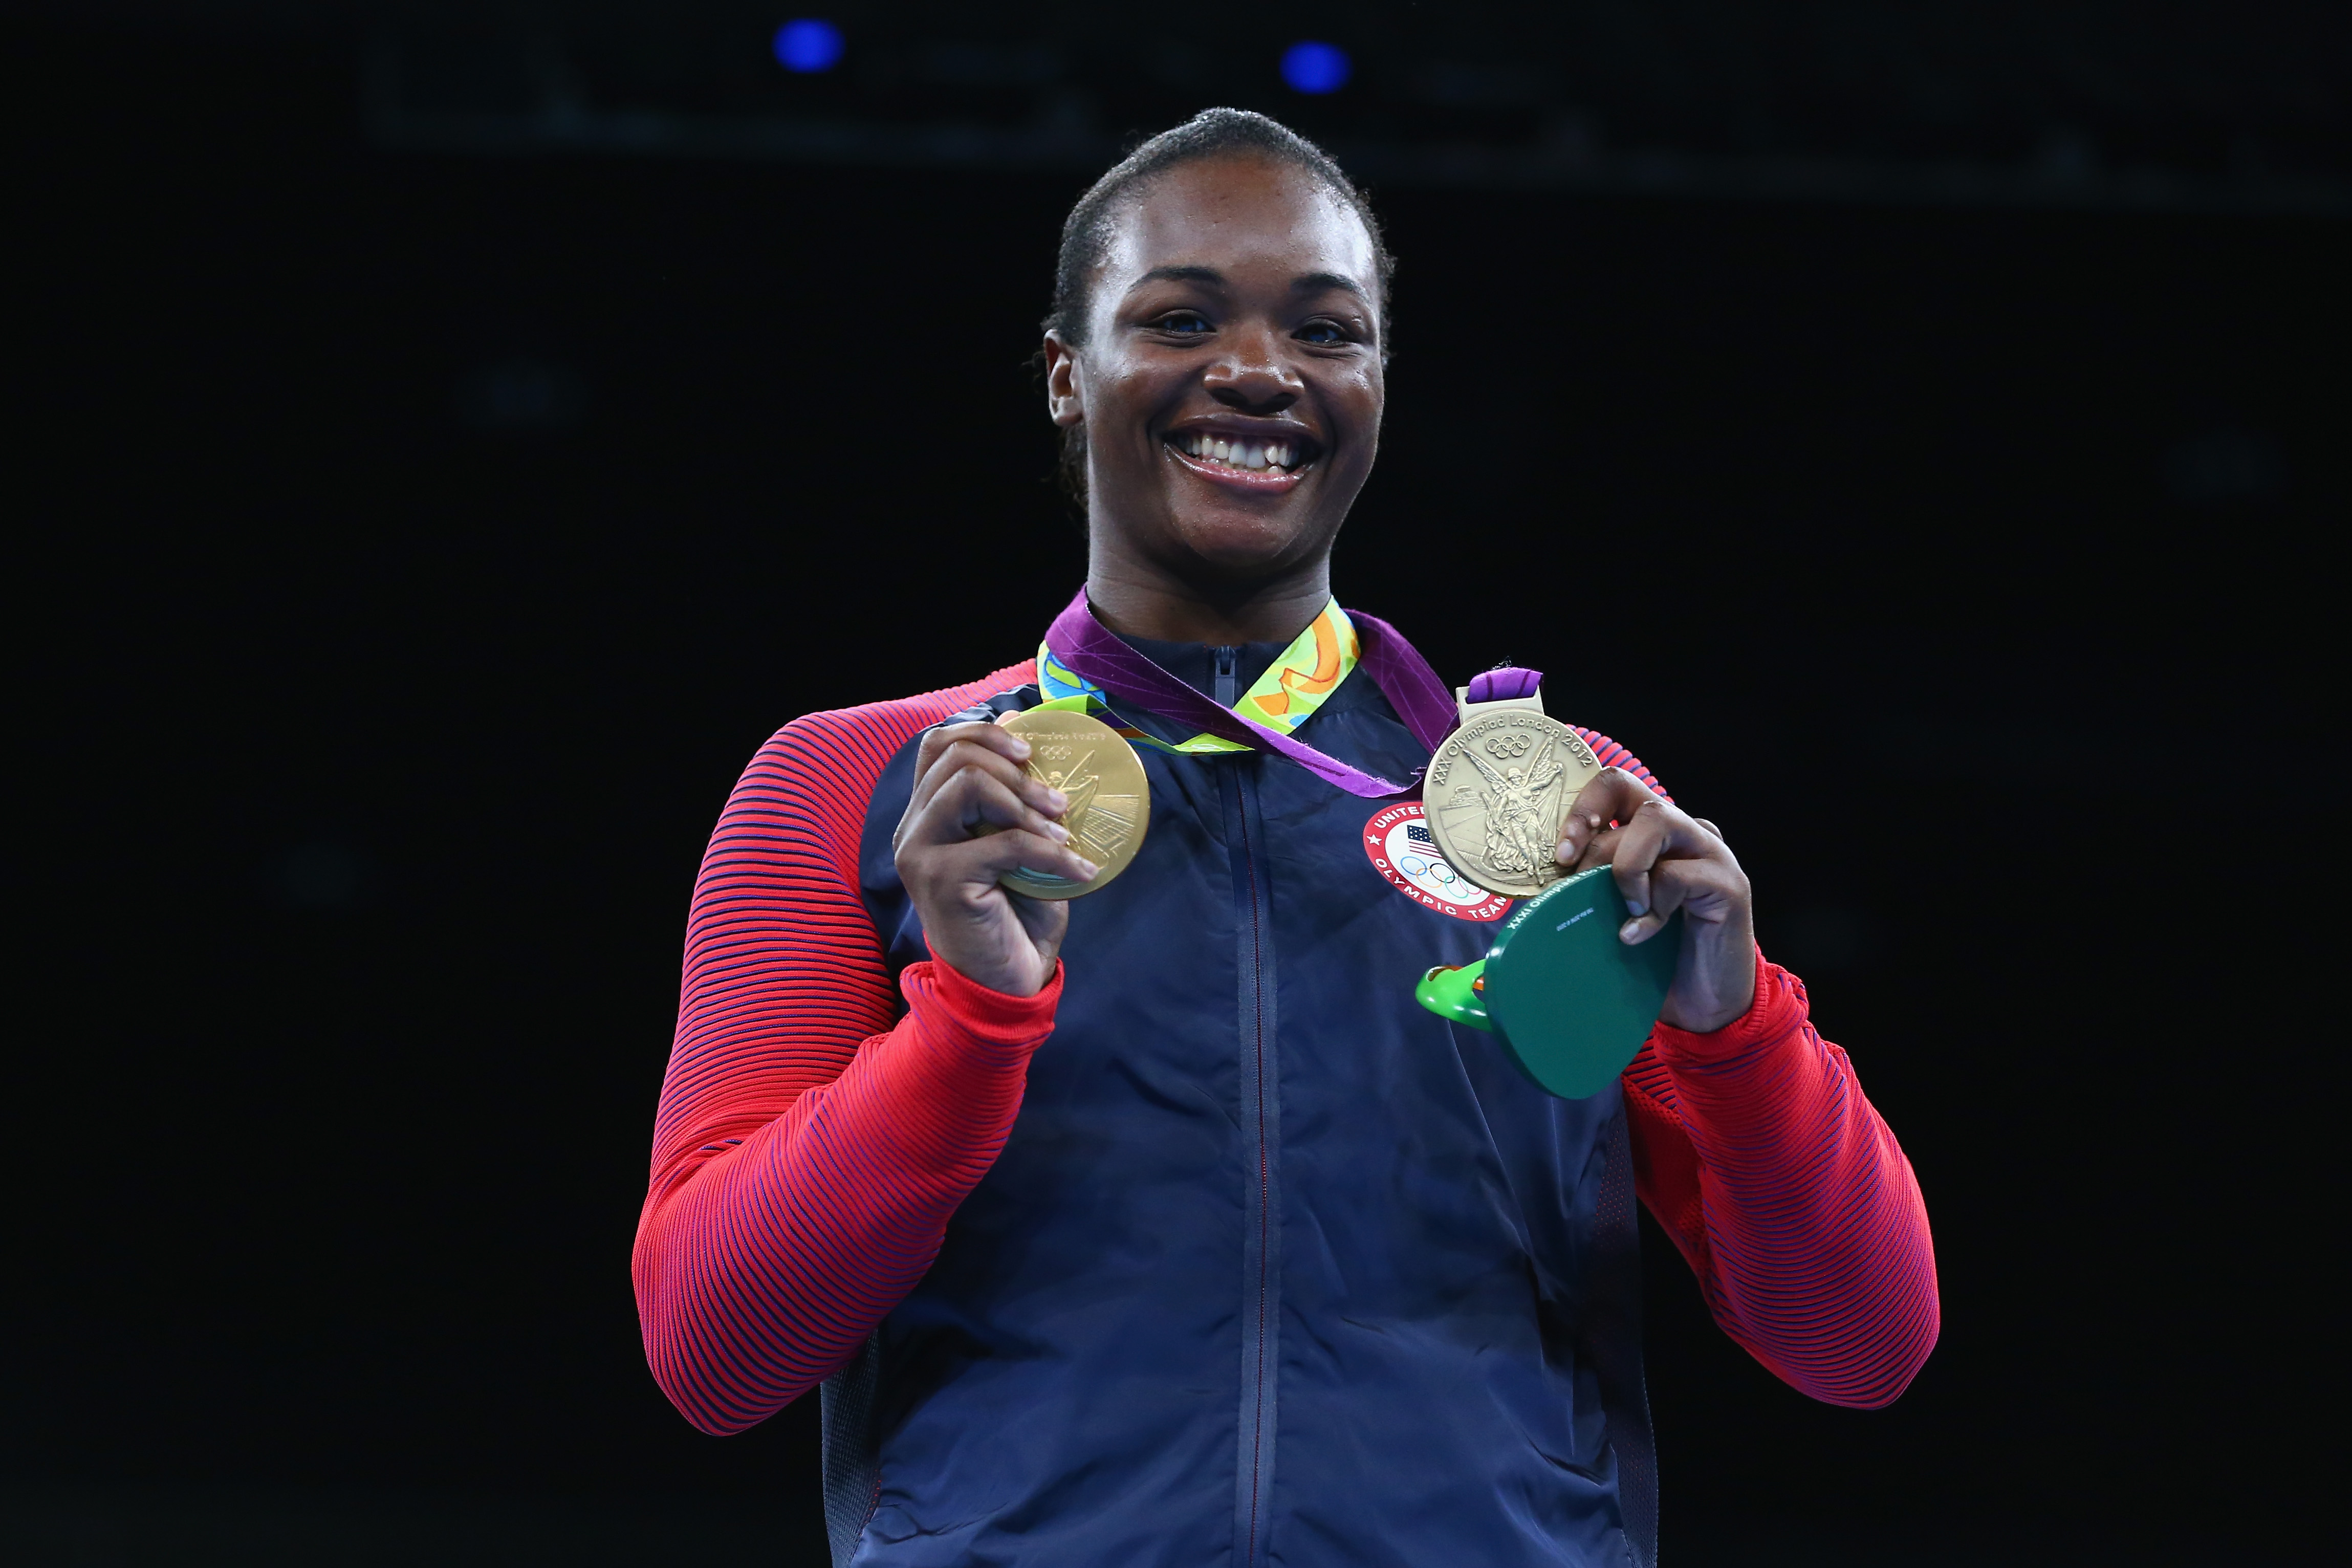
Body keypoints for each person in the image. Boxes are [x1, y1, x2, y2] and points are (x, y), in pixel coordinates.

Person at [633, 108, 1937, 1567]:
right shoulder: (864, 785)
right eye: (1180, 317)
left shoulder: (1560, 808)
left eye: (1325, 332)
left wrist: (1734, 1031)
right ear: (1068, 375)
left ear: (1376, 386)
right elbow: (715, 1349)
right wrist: (973, 1021)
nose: (1257, 370)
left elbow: (1860, 1346)